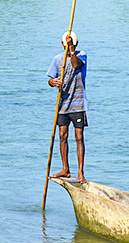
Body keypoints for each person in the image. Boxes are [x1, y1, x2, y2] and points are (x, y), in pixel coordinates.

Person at [46, 31, 88, 184]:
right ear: (62, 44)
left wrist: (71, 50)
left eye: (72, 44)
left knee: (79, 138)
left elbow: (76, 65)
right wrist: (53, 83)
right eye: (67, 43)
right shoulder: (57, 59)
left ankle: (80, 172)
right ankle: (65, 169)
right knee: (62, 136)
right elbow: (50, 79)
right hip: (63, 105)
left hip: (78, 105)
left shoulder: (81, 55)